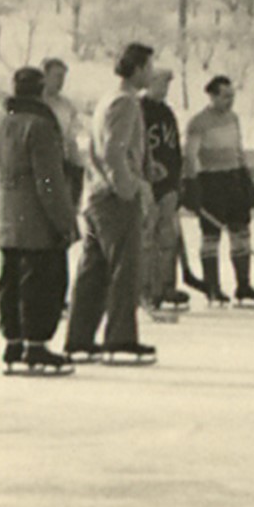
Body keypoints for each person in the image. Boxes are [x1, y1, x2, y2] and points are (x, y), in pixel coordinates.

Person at [63, 42, 158, 365]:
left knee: (94, 269)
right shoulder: (126, 102)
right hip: (114, 199)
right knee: (123, 268)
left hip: (95, 196)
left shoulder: (108, 99)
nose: (153, 72)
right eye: (149, 66)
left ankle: (79, 338)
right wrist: (129, 187)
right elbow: (113, 152)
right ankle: (120, 338)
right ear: (137, 68)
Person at [0, 66, 79, 376]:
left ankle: (13, 342)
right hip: (37, 218)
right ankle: (37, 345)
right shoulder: (41, 126)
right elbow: (49, 181)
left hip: (6, 214)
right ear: (41, 91)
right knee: (41, 281)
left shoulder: (0, 124)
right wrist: (64, 221)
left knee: (10, 280)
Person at [182, 76, 254, 307]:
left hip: (234, 179)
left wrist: (246, 177)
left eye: (232, 96)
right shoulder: (198, 122)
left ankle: (244, 285)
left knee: (241, 232)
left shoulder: (233, 118)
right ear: (212, 96)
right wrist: (191, 184)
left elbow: (238, 150)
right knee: (211, 236)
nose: (230, 101)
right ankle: (213, 287)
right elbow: (190, 157)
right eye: (225, 96)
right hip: (211, 181)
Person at [139, 67, 185, 313]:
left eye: (167, 84)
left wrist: (178, 181)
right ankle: (145, 288)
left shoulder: (167, 113)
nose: (164, 88)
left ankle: (166, 285)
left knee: (168, 237)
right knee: (146, 238)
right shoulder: (138, 109)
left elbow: (175, 149)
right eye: (160, 83)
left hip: (168, 184)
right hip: (147, 182)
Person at [41, 57, 86, 206]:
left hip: (63, 164)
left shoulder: (66, 105)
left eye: (63, 77)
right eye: (57, 76)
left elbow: (73, 136)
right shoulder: (37, 105)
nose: (61, 81)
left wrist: (77, 166)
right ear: (44, 76)